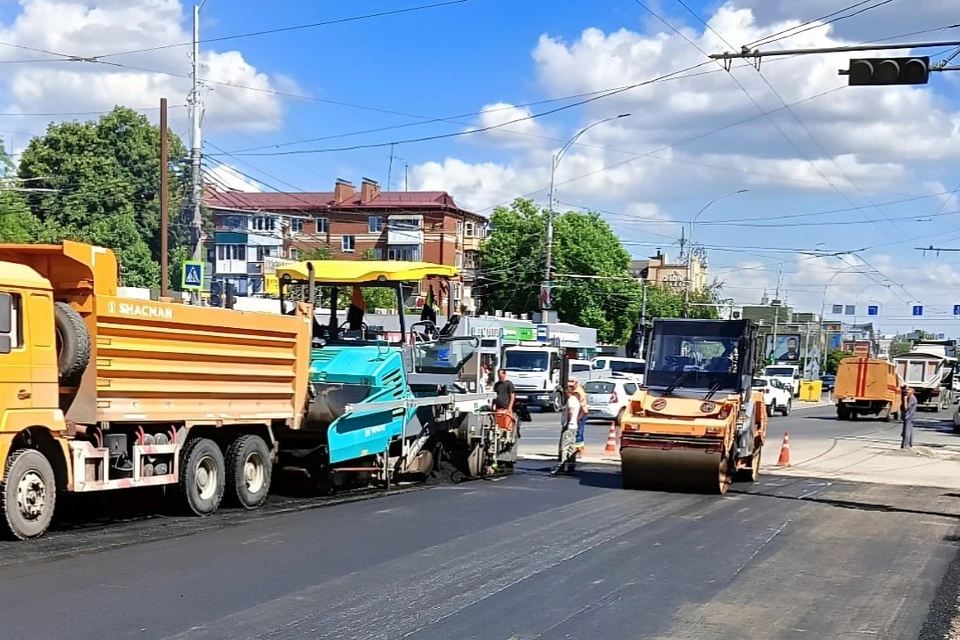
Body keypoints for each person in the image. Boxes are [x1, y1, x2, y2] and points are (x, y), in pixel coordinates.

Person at [552, 385, 582, 475]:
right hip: (574, 426)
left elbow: (570, 412)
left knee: (564, 447)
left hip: (569, 427)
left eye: (565, 393)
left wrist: (567, 424)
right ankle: (571, 465)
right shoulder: (575, 400)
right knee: (571, 447)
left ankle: (561, 466)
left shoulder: (571, 401)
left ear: (568, 392)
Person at [568, 378, 589, 450]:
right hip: (581, 413)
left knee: (578, 431)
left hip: (581, 413)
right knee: (580, 431)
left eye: (571, 385)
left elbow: (581, 408)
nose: (570, 387)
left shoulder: (578, 392)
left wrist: (577, 419)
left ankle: (577, 449)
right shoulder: (577, 390)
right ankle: (579, 448)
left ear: (576, 383)